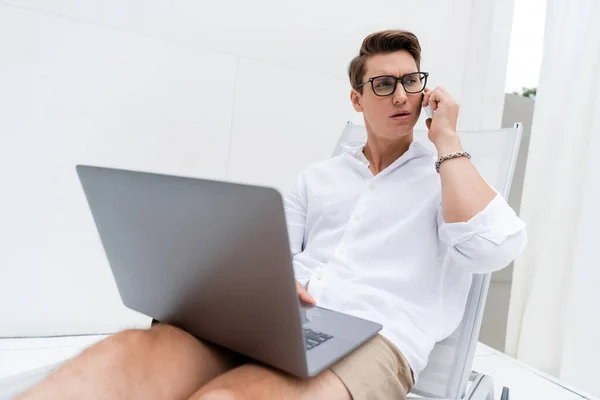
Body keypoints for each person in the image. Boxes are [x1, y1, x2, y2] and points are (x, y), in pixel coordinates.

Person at [19, 29, 526, 400]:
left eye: (412, 82)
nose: (401, 95)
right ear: (356, 98)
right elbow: (270, 254)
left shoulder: (448, 174)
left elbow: (494, 248)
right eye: (383, 85)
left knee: (231, 396)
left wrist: (448, 140)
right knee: (126, 354)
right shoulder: (318, 178)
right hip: (283, 319)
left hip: (376, 336)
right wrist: (261, 289)